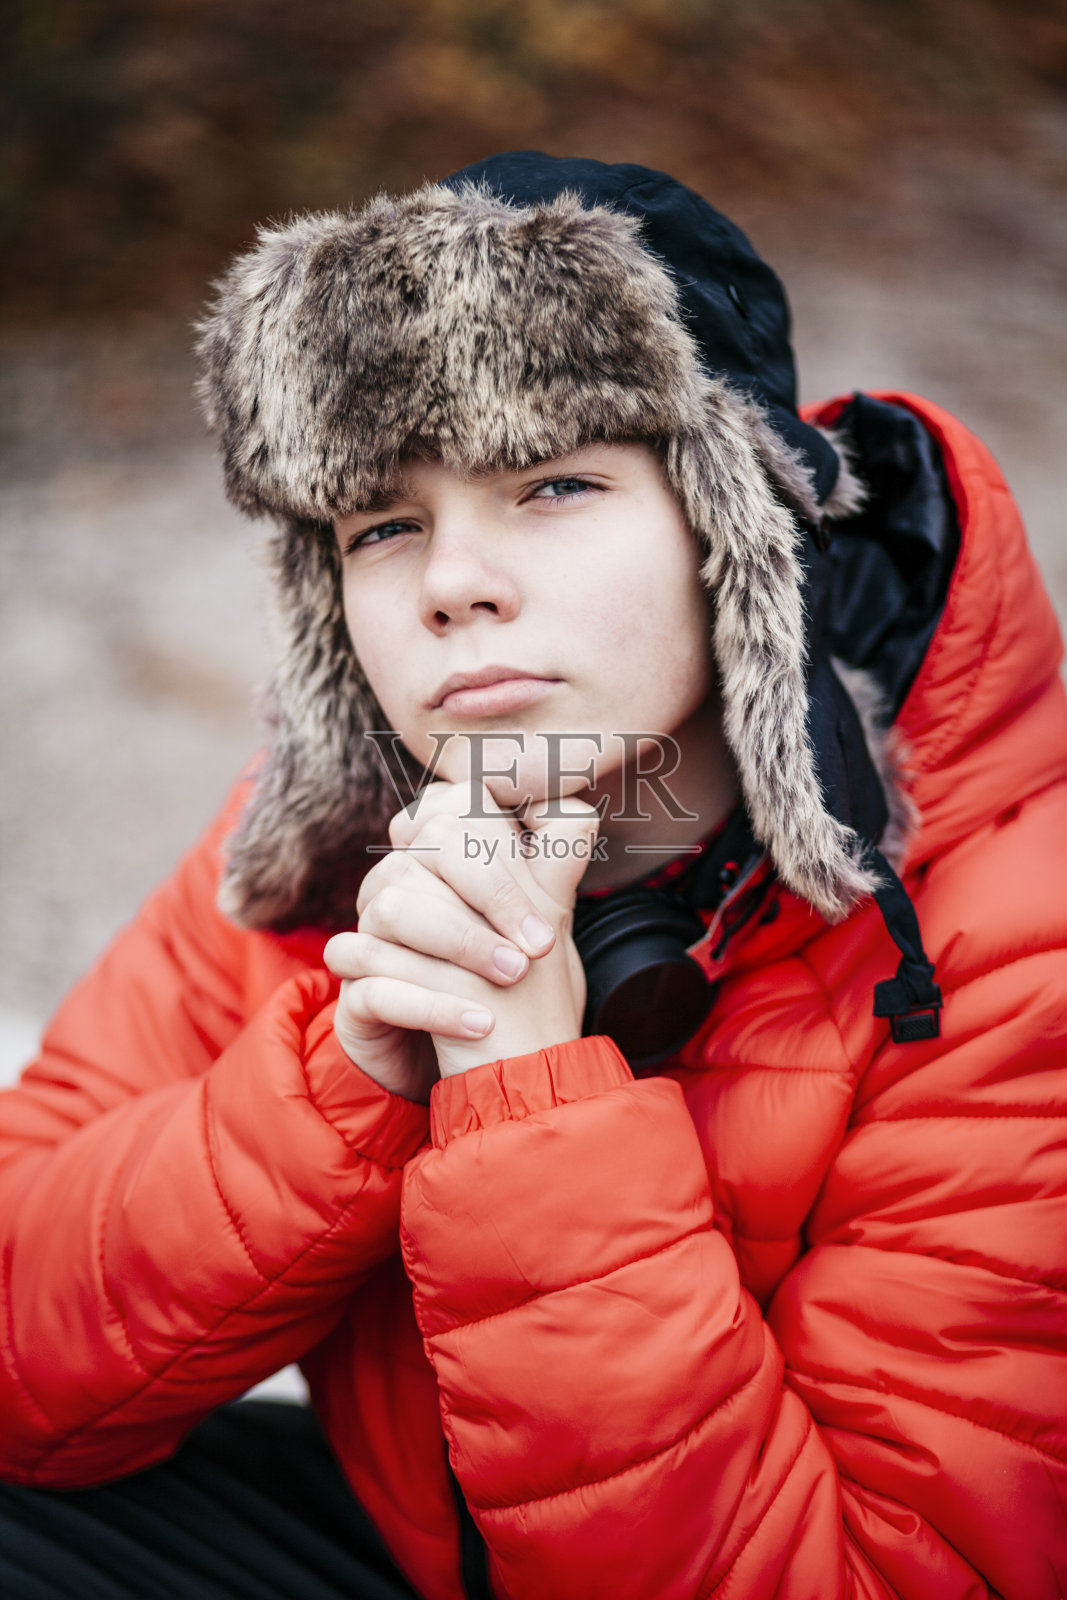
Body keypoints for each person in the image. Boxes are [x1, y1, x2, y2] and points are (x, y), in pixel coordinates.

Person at [0, 150, 1064, 1599]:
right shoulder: (323, 860)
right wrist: (340, 1092)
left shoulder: (1015, 934)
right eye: (384, 522)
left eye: (553, 484)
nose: (453, 581)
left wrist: (519, 1105)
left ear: (731, 530)